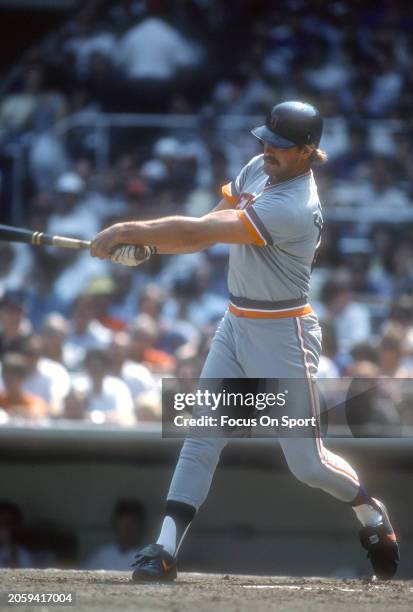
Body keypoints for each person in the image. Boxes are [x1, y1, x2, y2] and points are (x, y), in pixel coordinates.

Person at [90, 101, 399, 581]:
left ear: (308, 150)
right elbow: (205, 227)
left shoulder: (295, 204)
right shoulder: (260, 166)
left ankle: (370, 510)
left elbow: (203, 231)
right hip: (237, 321)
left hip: (284, 333)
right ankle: (165, 550)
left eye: (281, 145)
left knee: (307, 465)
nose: (268, 150)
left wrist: (132, 230)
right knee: (201, 435)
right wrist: (149, 247)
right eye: (266, 139)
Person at [83, 499, 146, 571]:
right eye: (124, 524)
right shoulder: (102, 556)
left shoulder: (149, 558)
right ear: (116, 525)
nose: (127, 529)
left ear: (140, 525)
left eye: (132, 523)